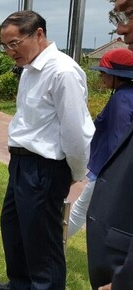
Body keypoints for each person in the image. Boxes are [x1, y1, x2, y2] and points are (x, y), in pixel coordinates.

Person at [0, 10, 94, 290]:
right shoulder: (30, 69)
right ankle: (19, 284)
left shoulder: (62, 71)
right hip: (22, 163)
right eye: (5, 46)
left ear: (39, 34)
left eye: (14, 43)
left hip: (45, 167)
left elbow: (76, 130)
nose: (10, 52)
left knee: (42, 241)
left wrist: (75, 171)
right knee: (14, 228)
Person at [87, 0, 133, 290]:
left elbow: (117, 141)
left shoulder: (121, 100)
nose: (121, 28)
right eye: (119, 15)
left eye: (130, 12)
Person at [67, 48, 133, 240]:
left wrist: (112, 174)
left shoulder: (121, 99)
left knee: (81, 210)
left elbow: (117, 138)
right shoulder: (127, 94)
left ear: (116, 76)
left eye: (104, 72)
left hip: (109, 170)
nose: (101, 77)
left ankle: (52, 250)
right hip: (116, 170)